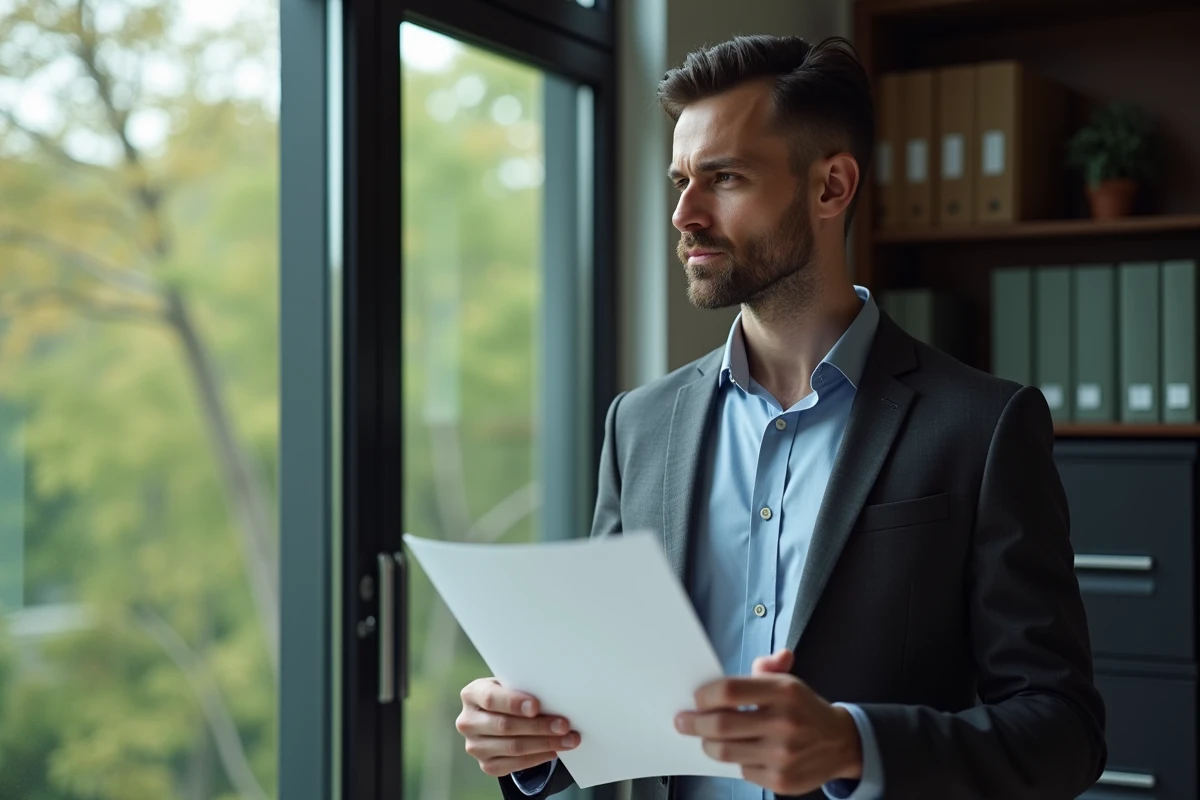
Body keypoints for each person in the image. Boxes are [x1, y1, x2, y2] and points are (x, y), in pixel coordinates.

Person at [454, 34, 1106, 800]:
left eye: (723, 178)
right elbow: (610, 702)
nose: (684, 213)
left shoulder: (984, 427)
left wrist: (852, 744)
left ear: (831, 187)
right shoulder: (639, 427)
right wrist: (532, 739)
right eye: (680, 180)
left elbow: (1062, 732)